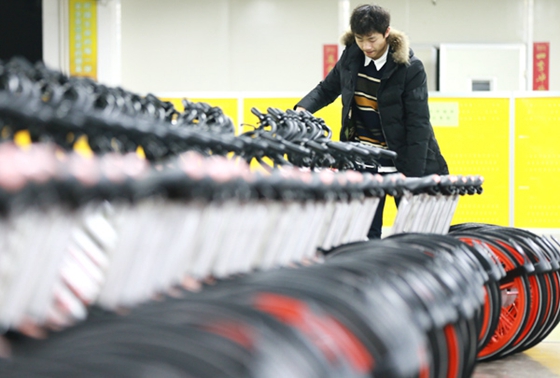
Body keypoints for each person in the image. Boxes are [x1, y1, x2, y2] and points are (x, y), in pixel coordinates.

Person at [295, 3, 448, 239]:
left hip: (402, 161)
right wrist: (301, 110)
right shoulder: (351, 57)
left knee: (414, 234)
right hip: (363, 161)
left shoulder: (409, 68)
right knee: (365, 234)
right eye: (359, 39)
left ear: (386, 32)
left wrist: (414, 181)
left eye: (372, 39)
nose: (366, 46)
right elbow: (327, 89)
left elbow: (419, 125)